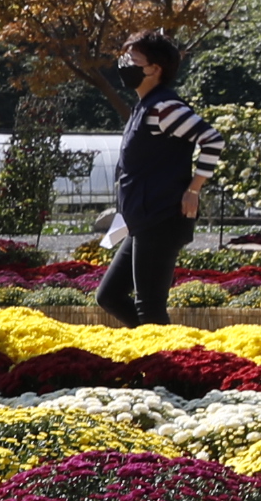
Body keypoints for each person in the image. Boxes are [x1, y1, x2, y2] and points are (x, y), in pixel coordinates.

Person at [93, 32, 222, 329]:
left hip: (162, 217)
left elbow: (212, 140)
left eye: (133, 60)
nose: (124, 65)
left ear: (155, 69)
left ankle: (163, 368)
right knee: (109, 295)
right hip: (142, 218)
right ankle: (151, 352)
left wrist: (194, 189)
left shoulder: (165, 107)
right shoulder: (144, 106)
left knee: (150, 306)